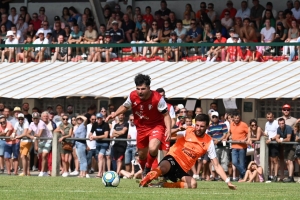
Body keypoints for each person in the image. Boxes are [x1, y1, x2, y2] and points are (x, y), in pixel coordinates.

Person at [139, 114, 236, 189]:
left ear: (207, 126)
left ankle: (164, 185)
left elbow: (216, 165)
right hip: (173, 158)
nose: (198, 128)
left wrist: (228, 182)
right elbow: (166, 136)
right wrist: (177, 129)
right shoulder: (188, 131)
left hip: (182, 168)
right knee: (163, 168)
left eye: (201, 126)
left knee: (193, 184)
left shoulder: (209, 142)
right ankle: (146, 179)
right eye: (197, 125)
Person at [106, 74, 172, 178]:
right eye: (138, 89)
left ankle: (148, 168)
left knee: (153, 148)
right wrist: (115, 114)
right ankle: (145, 172)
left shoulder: (157, 98)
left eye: (143, 89)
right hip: (141, 128)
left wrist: (168, 129)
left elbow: (166, 115)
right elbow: (125, 106)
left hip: (156, 126)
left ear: (149, 88)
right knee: (141, 155)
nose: (140, 91)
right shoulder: (132, 95)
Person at [89, 113, 109, 178]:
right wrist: (90, 136)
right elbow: (90, 133)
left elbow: (106, 135)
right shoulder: (95, 124)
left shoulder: (106, 124)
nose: (99, 119)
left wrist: (95, 137)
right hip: (98, 142)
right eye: (98, 118)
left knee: (100, 156)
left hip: (105, 142)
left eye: (100, 118)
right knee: (99, 158)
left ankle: (99, 173)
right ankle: (102, 172)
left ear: (102, 118)